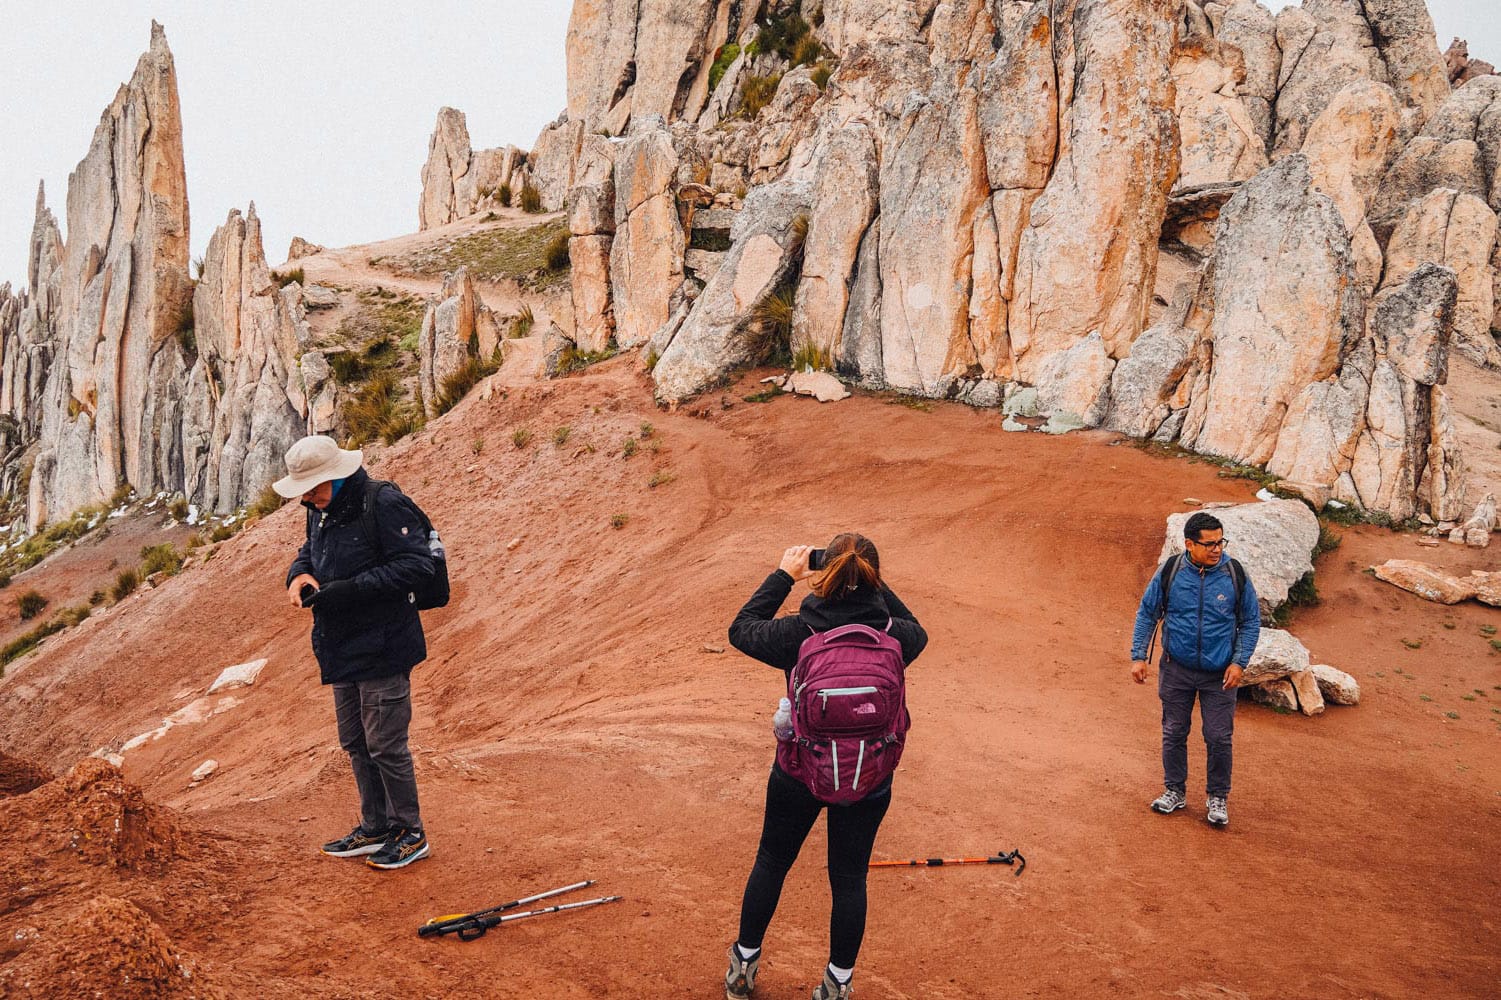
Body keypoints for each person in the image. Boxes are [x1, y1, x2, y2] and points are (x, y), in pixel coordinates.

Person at [723, 533, 927, 1000]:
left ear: (824, 574)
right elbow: (917, 625)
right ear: (873, 579)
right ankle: (837, 986)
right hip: (870, 777)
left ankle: (743, 970)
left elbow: (742, 628)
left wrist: (783, 575)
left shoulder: (798, 633)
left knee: (772, 862)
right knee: (850, 878)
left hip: (799, 769)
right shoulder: (898, 635)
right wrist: (870, 582)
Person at [277, 435, 435, 870]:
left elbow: (417, 565)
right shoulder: (320, 510)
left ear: (337, 475)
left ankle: (410, 832)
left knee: (385, 743)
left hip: (384, 644)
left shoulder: (381, 502)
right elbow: (309, 552)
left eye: (311, 487)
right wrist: (299, 576)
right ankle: (376, 827)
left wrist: (349, 591)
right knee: (356, 741)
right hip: (340, 644)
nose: (305, 496)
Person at [1130, 511, 1260, 828]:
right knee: (1174, 731)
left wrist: (1239, 661)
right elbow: (1148, 613)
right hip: (1177, 669)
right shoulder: (1171, 571)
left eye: (1221, 541)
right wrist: (1139, 655)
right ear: (1190, 544)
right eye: (1210, 544)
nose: (1217, 549)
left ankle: (1218, 797)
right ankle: (1174, 790)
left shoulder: (1234, 574)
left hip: (1220, 676)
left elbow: (1251, 621)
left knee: (1218, 737)